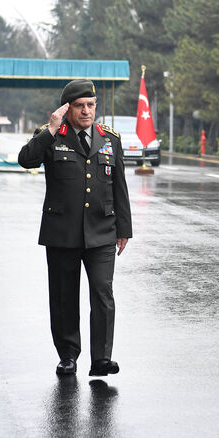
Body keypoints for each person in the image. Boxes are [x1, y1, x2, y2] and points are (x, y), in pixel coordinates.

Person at [17, 79, 132, 376]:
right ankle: (68, 355)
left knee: (103, 293)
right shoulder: (51, 135)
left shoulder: (110, 139)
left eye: (90, 105)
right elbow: (26, 160)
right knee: (64, 296)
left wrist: (124, 228)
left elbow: (119, 186)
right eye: (79, 106)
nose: (86, 112)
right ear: (67, 109)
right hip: (62, 232)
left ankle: (102, 359)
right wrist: (51, 128)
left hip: (102, 230)